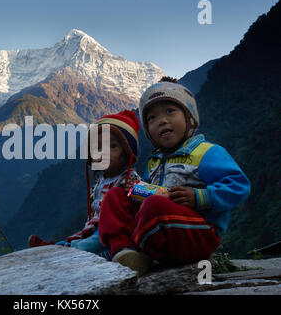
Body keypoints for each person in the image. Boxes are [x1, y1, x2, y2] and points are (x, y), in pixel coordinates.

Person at [98, 76, 251, 275]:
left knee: (154, 205)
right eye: (151, 118)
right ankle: (125, 252)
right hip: (160, 229)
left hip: (198, 233)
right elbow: (153, 196)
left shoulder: (206, 152)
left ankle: (143, 251)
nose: (161, 121)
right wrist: (136, 191)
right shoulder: (154, 161)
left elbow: (239, 186)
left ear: (189, 117)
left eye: (170, 111)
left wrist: (199, 196)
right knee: (114, 197)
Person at [28, 110, 142, 259]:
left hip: (115, 228)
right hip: (95, 227)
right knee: (78, 238)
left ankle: (65, 253)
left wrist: (135, 191)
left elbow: (141, 202)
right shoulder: (100, 181)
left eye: (112, 146)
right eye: (98, 148)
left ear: (127, 153)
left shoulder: (129, 178)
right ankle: (56, 248)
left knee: (89, 244)